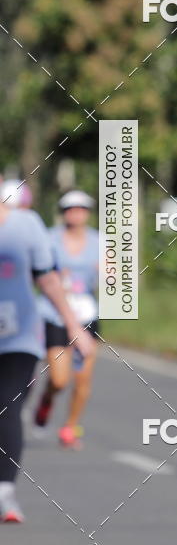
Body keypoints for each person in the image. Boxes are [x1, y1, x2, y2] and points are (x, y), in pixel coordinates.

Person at [0, 190, 93, 522]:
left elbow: (48, 278)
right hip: (33, 325)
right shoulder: (47, 230)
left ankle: (5, 492)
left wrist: (74, 325)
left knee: (8, 405)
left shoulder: (27, 225)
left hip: (20, 335)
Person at [34, 190, 100, 449]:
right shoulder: (49, 239)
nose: (76, 213)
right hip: (55, 314)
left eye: (81, 208)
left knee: (83, 379)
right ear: (63, 212)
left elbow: (114, 278)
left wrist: (108, 275)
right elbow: (38, 273)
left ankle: (70, 427)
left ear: (87, 213)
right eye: (71, 208)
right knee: (60, 379)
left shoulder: (100, 241)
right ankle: (47, 399)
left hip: (86, 314)